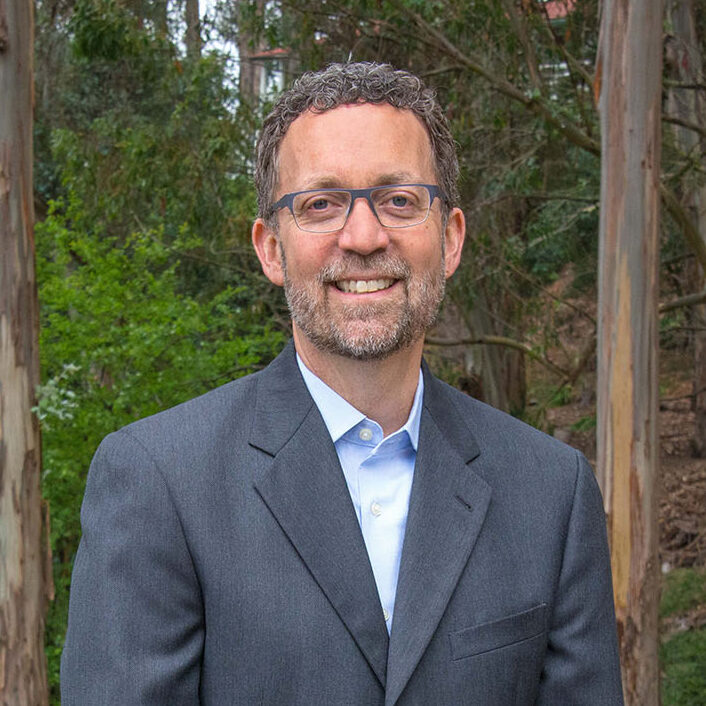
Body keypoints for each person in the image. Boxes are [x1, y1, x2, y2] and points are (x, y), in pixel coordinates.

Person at [61, 62, 624, 705]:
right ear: (271, 248)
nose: (363, 237)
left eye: (400, 200)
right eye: (321, 204)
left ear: (451, 239)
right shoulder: (158, 482)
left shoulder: (552, 492)